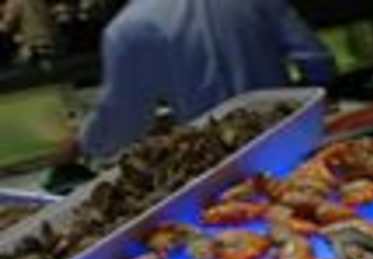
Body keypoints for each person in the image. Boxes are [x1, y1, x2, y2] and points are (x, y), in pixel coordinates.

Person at [75, 0, 335, 159]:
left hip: (216, 166)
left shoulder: (128, 29)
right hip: (295, 139)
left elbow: (122, 126)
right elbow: (316, 59)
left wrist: (83, 143)